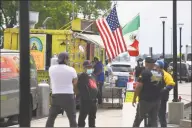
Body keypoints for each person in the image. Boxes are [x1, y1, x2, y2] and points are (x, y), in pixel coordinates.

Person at [46, 52, 78, 127]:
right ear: (66, 60)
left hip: (56, 96)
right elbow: (75, 82)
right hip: (68, 96)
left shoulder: (51, 69)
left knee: (51, 117)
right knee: (72, 118)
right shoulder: (71, 70)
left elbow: (53, 79)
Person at [132, 57, 164, 127]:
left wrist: (134, 98)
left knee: (138, 119)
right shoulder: (159, 73)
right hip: (156, 101)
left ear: (146, 63)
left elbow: (139, 86)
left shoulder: (144, 73)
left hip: (145, 101)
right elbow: (161, 86)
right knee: (154, 120)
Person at [154, 60, 175, 127]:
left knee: (161, 114)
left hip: (162, 98)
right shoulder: (156, 74)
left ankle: (163, 126)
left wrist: (164, 89)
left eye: (156, 66)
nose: (155, 67)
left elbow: (171, 84)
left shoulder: (166, 75)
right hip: (156, 97)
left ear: (160, 67)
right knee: (155, 114)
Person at [77, 60, 98, 127]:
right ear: (84, 68)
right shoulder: (82, 76)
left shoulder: (93, 76)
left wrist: (98, 97)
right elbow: (80, 88)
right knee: (82, 118)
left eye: (90, 67)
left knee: (92, 118)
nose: (89, 68)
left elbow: (95, 86)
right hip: (85, 101)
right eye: (87, 67)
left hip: (93, 101)